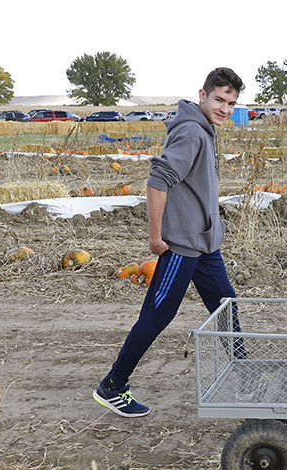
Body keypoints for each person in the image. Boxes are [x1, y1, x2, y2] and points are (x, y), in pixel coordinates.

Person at [93, 67, 244, 417]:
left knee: (226, 308)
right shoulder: (192, 132)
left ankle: (245, 371)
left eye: (231, 103)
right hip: (181, 247)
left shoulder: (204, 129)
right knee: (157, 316)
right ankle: (112, 386)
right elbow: (158, 181)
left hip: (205, 246)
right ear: (203, 95)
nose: (224, 108)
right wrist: (156, 238)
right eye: (219, 99)